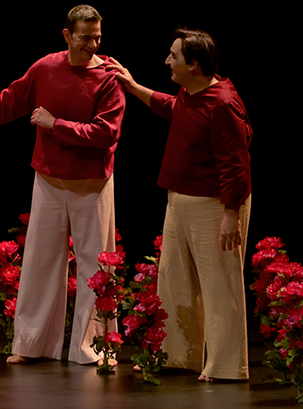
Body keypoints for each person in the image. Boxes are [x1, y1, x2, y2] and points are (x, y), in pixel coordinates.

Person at [0, 4, 125, 366]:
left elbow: (106, 133)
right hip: (49, 180)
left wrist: (55, 124)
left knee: (95, 268)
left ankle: (93, 349)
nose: (93, 45)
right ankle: (31, 345)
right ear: (67, 35)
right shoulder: (46, 67)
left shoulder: (109, 77)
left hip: (92, 184)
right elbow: (7, 102)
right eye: (85, 37)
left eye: (98, 37)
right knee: (40, 263)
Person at [107, 29, 252, 381]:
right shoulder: (191, 93)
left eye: (173, 56)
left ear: (194, 64)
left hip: (213, 204)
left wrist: (230, 215)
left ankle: (227, 366)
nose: (167, 61)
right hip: (180, 198)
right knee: (174, 280)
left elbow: (236, 164)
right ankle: (177, 356)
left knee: (219, 284)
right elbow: (174, 108)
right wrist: (134, 87)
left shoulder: (223, 103)